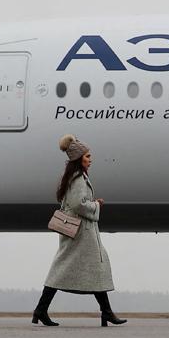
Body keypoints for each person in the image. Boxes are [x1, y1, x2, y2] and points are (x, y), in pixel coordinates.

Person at [33, 135, 125, 327]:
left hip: (80, 231)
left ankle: (105, 312)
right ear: (79, 159)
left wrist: (92, 203)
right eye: (88, 156)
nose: (91, 160)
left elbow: (75, 203)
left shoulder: (75, 177)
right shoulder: (78, 179)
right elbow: (78, 204)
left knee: (90, 268)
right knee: (84, 268)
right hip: (81, 232)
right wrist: (96, 205)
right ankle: (105, 313)